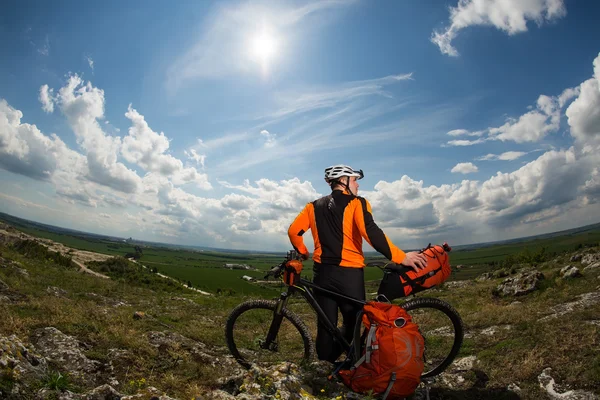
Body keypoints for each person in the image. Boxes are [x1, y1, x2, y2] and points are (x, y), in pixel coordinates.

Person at [287, 164, 428, 363]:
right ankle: (356, 364)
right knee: (353, 323)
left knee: (326, 326)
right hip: (349, 275)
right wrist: (401, 257)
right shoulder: (357, 203)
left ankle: (324, 367)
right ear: (343, 181)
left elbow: (294, 231)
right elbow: (371, 233)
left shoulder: (312, 206)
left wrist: (303, 252)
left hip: (322, 274)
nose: (358, 186)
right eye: (354, 180)